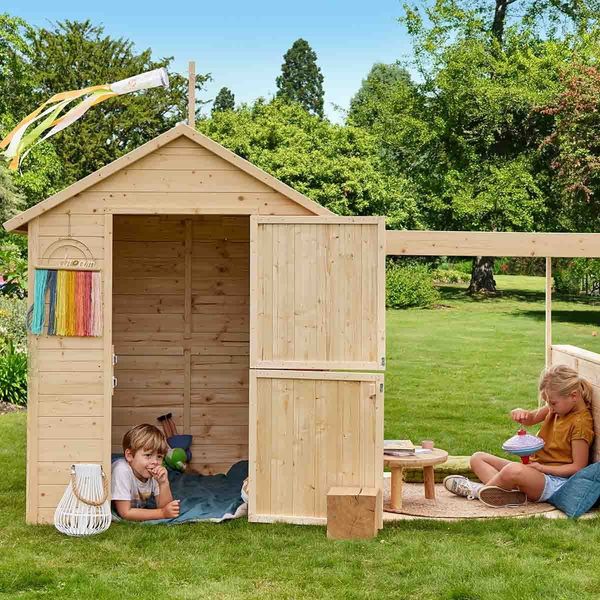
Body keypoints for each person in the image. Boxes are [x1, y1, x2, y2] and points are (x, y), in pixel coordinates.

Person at [444, 364, 595, 508]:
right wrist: (521, 413)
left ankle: (476, 491)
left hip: (555, 483)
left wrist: (542, 468)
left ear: (574, 396)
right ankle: (509, 494)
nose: (550, 407)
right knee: (477, 458)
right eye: (547, 403)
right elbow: (530, 419)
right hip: (535, 472)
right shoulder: (557, 407)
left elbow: (578, 467)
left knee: (512, 470)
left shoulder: (581, 423)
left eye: (553, 403)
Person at [111, 423, 181, 521]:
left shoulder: (155, 471)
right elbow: (125, 512)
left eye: (159, 456)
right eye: (148, 455)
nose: (155, 462)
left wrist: (164, 483)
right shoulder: (121, 470)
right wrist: (162, 513)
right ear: (130, 455)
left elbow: (166, 508)